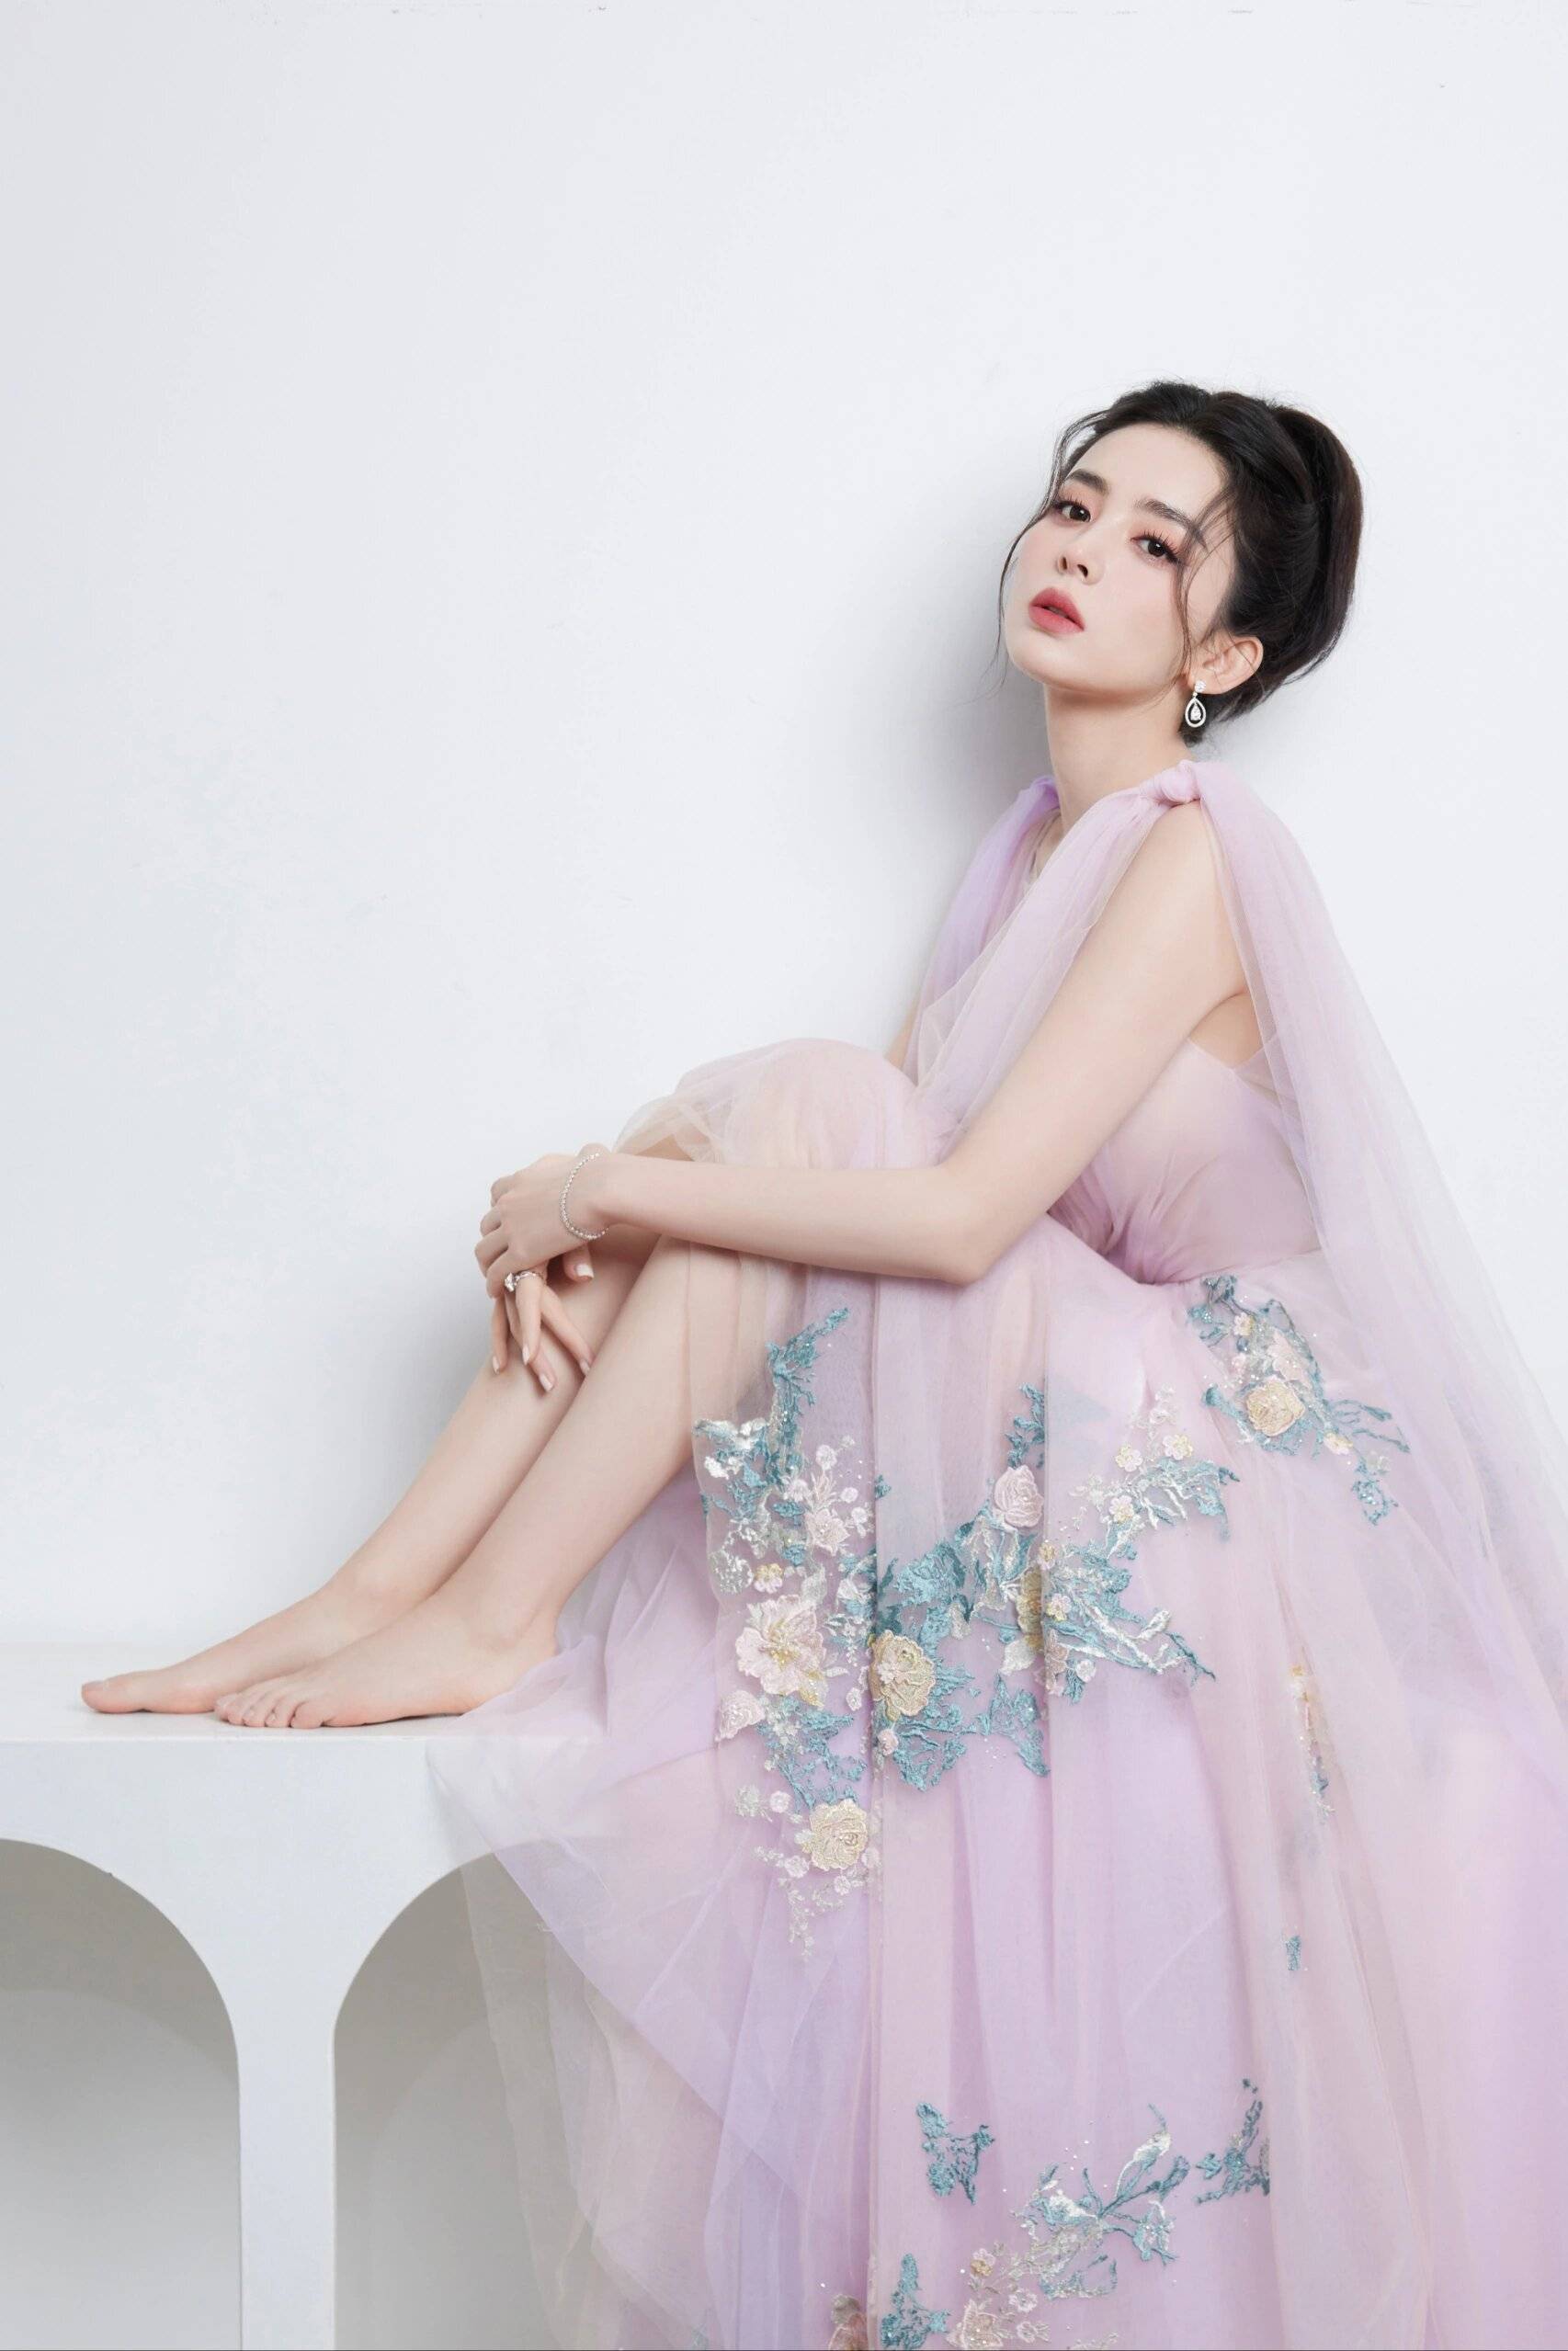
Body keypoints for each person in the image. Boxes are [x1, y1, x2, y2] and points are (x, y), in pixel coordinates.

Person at [82, 381, 1568, 2351]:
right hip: (1070, 1401)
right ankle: (374, 1592)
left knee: (784, 1110)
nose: (1078, 549)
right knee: (746, 1157)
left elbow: (951, 1220)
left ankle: (482, 1612)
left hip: (1222, 1461)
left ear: (1220, 653)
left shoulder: (1192, 850)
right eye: (1072, 503)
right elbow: (852, 1217)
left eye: (1153, 543)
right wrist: (620, 1210)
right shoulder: (1023, 856)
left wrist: (615, 1176)